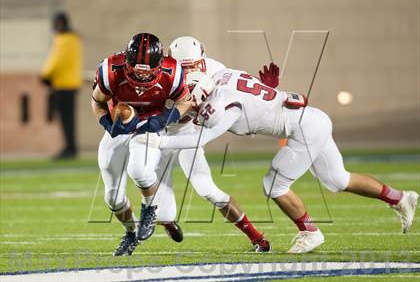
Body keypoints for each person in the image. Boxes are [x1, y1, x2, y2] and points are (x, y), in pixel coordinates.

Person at [138, 68, 419, 253]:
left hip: (304, 129)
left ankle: (310, 232)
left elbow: (199, 139)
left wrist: (160, 140)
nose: (188, 104)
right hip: (314, 119)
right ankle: (400, 197)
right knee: (338, 179)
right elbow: (256, 89)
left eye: (191, 99)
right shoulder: (225, 76)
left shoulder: (222, 106)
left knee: (273, 184)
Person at [139, 36, 273, 252]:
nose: (191, 71)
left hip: (188, 133)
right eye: (185, 68)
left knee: (207, 190)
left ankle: (257, 238)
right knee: (155, 194)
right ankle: (167, 221)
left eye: (194, 66)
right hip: (162, 131)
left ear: (202, 60)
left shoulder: (215, 70)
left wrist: (265, 90)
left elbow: (237, 92)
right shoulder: (161, 74)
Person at [91, 33, 192, 256]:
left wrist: (165, 118)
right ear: (126, 61)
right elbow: (97, 101)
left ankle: (150, 207)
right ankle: (130, 233)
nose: (139, 75)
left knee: (140, 170)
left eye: (146, 71)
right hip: (123, 123)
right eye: (135, 69)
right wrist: (107, 123)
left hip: (150, 124)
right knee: (112, 197)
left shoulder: (172, 72)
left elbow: (185, 100)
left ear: (159, 65)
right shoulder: (111, 70)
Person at [40, 12, 83, 159]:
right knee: (69, 118)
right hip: (72, 84)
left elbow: (56, 60)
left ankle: (70, 148)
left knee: (65, 119)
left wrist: (45, 75)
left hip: (63, 84)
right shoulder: (75, 39)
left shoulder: (63, 39)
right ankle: (71, 146)